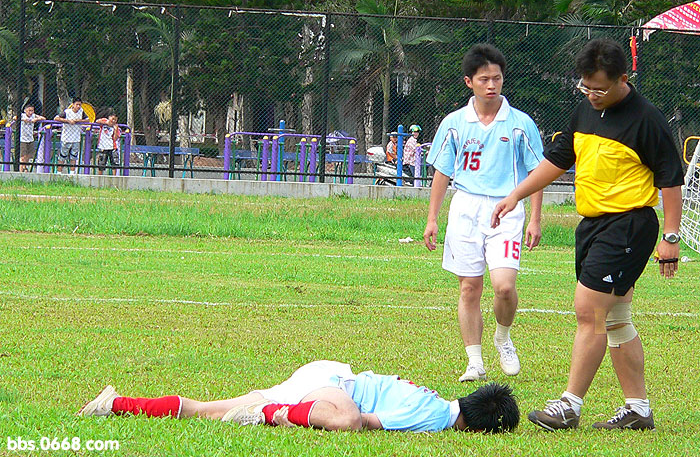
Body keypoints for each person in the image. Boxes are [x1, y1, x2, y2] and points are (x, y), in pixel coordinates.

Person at [491, 39, 683, 431]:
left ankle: (569, 405)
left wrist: (671, 237)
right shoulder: (584, 111)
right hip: (593, 226)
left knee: (589, 311)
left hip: (628, 225)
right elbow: (558, 160)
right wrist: (515, 195)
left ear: (622, 79)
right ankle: (638, 409)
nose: (592, 95)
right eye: (586, 87)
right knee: (615, 318)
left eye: (600, 89)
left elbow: (670, 179)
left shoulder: (647, 119)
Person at [423, 44, 544, 383]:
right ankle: (474, 361)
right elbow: (442, 172)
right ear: (469, 82)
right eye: (484, 79)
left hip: (507, 208)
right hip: (465, 208)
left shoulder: (520, 124)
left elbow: (537, 172)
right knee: (469, 288)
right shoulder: (454, 123)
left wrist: (535, 219)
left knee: (504, 287)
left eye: (497, 78)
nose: (492, 85)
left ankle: (503, 337)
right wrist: (432, 218)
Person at [78, 360, 519, 433]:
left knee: (207, 411)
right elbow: (365, 421)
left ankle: (115, 403)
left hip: (325, 377)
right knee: (350, 421)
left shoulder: (437, 403)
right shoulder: (437, 417)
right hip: (332, 387)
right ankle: (271, 413)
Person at [55, 97, 89, 174]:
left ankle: (72, 173)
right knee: (63, 155)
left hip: (76, 138)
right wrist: (67, 121)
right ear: (73, 104)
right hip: (66, 138)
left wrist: (78, 121)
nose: (78, 106)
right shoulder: (67, 112)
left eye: (80, 105)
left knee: (74, 156)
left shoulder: (81, 112)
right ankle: (59, 172)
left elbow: (88, 120)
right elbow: (56, 118)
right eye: (77, 104)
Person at [19, 104, 46, 172]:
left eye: (32, 110)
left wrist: (36, 119)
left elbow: (43, 118)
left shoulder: (33, 116)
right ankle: (22, 170)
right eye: (29, 110)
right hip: (23, 139)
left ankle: (25, 167)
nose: (30, 112)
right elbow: (14, 118)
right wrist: (23, 120)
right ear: (25, 110)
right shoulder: (22, 115)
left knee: (29, 155)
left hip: (30, 138)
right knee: (23, 156)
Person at [95, 112, 120, 176]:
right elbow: (97, 121)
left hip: (112, 147)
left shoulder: (116, 127)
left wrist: (115, 130)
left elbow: (115, 138)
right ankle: (100, 178)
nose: (113, 121)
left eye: (115, 120)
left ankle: (114, 178)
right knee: (101, 164)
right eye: (112, 119)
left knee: (114, 164)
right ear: (109, 117)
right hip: (103, 146)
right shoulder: (104, 121)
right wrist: (107, 122)